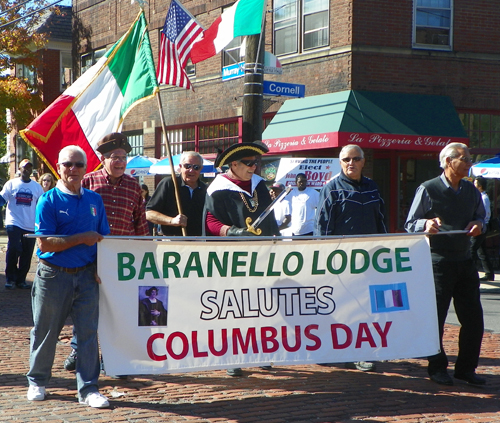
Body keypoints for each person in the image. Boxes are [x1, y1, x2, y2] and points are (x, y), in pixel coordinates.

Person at [27, 145, 110, 408]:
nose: (73, 169)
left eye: (78, 165)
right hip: (53, 276)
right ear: (58, 167)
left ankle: (88, 389)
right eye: (67, 164)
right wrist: (81, 239)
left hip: (86, 277)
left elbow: (103, 239)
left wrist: (100, 266)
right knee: (45, 331)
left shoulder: (95, 200)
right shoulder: (48, 200)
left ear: (86, 169)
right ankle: (37, 381)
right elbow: (45, 244)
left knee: (88, 333)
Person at [64, 132, 148, 372]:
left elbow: (140, 224)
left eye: (123, 157)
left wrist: (144, 256)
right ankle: (78, 349)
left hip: (122, 260)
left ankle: (113, 357)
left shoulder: (134, 187)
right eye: (114, 157)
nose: (120, 161)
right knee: (86, 306)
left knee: (117, 310)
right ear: (102, 159)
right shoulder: (88, 183)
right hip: (91, 257)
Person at [405, 142, 486, 386]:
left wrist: (478, 224)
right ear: (449, 161)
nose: (470, 162)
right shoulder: (428, 189)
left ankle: (466, 369)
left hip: (465, 259)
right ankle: (437, 367)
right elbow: (411, 223)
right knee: (436, 318)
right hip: (437, 262)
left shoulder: (471, 191)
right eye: (465, 158)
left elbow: (481, 217)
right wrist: (425, 225)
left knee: (473, 319)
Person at [203, 141, 279, 376]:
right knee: (233, 305)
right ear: (233, 164)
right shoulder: (218, 188)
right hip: (232, 256)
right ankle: (231, 355)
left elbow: (270, 215)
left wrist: (275, 238)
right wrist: (233, 232)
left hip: (261, 254)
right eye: (248, 163)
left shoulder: (259, 185)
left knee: (260, 304)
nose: (254, 167)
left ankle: (260, 351)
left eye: (256, 163)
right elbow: (210, 222)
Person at [315, 144, 386, 372]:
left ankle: (362, 353)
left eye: (356, 158)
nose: (351, 163)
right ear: (340, 162)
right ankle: (331, 351)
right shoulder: (331, 189)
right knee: (338, 308)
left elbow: (381, 222)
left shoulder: (372, 187)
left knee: (366, 308)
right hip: (340, 262)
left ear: (363, 161)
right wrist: (325, 259)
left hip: (369, 261)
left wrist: (386, 250)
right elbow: (322, 228)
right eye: (346, 159)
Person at [0, 159, 44, 289]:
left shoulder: (36, 187)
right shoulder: (11, 184)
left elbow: (42, 205)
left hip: (30, 224)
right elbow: (2, 199)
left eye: (29, 168)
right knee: (14, 247)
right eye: (25, 168)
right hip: (14, 222)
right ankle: (10, 278)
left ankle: (21, 279)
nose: (27, 170)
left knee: (27, 252)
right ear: (20, 169)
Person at [146, 151, 207, 236]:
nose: (191, 170)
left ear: (201, 169)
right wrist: (172, 221)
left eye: (196, 167)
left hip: (199, 243)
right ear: (180, 167)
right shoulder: (168, 184)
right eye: (187, 166)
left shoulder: (206, 189)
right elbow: (149, 213)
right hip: (173, 242)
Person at [471, 176, 494, 281]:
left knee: (471, 250)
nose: (474, 186)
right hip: (483, 226)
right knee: (482, 251)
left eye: (475, 184)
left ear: (480, 186)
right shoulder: (481, 196)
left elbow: (484, 214)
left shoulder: (483, 198)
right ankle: (489, 273)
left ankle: (470, 272)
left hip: (481, 227)